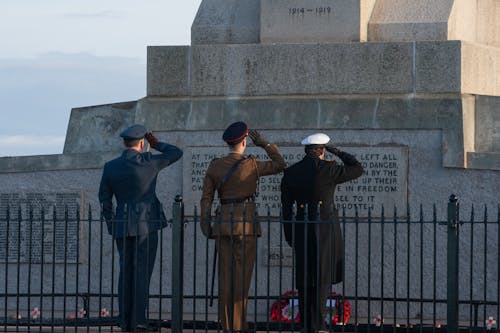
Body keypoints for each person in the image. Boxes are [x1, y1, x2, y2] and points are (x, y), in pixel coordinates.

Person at [200, 121, 286, 332]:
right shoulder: (251, 165)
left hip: (224, 226)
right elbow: (280, 164)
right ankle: (239, 326)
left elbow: (206, 199)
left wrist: (206, 226)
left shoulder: (215, 165)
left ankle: (229, 326)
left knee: (226, 280)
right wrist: (265, 143)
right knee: (242, 280)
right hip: (246, 225)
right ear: (245, 142)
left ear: (229, 144)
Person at [99, 124, 183, 332]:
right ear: (142, 142)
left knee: (125, 273)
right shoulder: (149, 161)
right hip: (146, 224)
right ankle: (138, 320)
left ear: (124, 143)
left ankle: (125, 321)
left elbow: (104, 200)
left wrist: (112, 224)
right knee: (142, 274)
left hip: (122, 225)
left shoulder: (110, 166)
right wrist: (157, 144)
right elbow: (176, 153)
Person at [281, 133, 363, 333]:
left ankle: (305, 325)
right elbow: (357, 168)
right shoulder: (329, 169)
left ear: (305, 151)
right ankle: (317, 324)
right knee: (322, 277)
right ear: (323, 150)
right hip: (325, 229)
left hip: (301, 227)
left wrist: (290, 234)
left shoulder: (291, 172)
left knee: (304, 278)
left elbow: (285, 207)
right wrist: (338, 151)